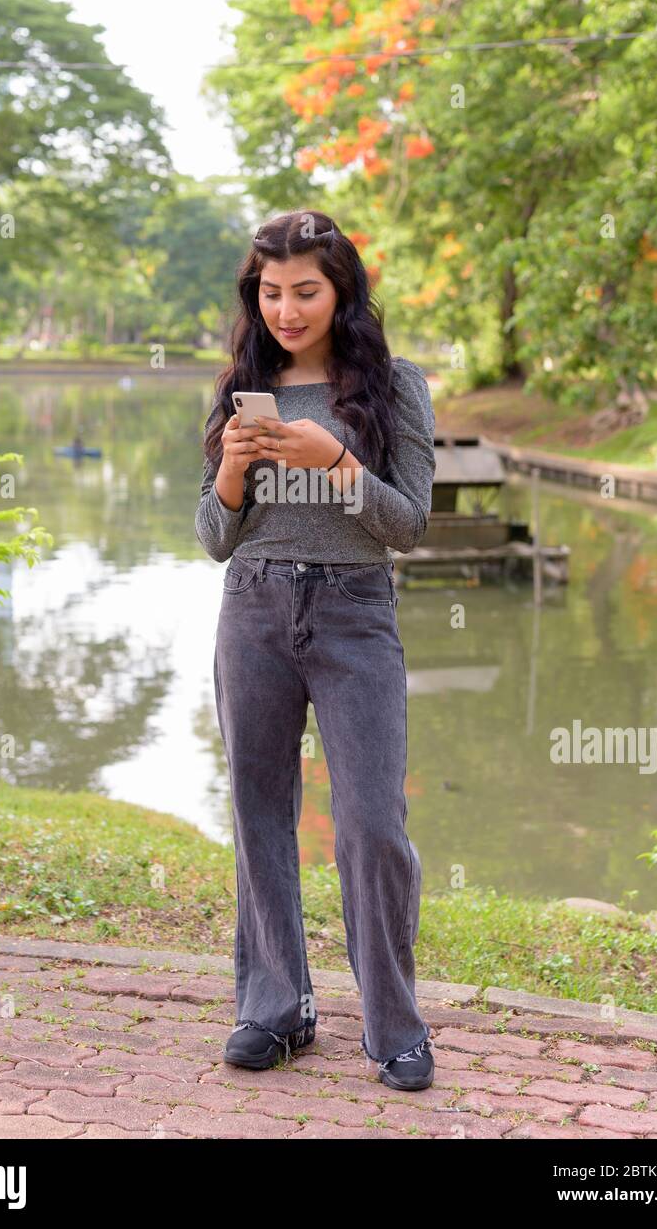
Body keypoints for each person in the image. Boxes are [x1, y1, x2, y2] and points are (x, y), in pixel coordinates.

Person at [194, 209, 437, 1092]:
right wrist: (231, 470)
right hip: (252, 608)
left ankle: (395, 1027)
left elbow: (406, 524)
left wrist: (335, 459)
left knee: (372, 826)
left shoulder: (393, 387)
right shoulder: (238, 389)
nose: (286, 311)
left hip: (353, 612)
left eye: (305, 291)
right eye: (270, 293)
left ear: (341, 292)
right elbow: (214, 535)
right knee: (259, 818)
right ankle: (274, 1008)